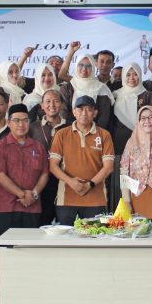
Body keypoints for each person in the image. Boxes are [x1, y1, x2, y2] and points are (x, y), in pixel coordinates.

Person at [49, 96, 115, 225]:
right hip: (67, 199)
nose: (84, 113)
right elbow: (53, 166)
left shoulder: (104, 135)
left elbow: (108, 167)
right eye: (80, 109)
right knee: (67, 237)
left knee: (95, 235)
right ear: (74, 112)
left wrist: (90, 184)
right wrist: (70, 182)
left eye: (89, 109)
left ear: (95, 113)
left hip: (96, 200)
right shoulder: (61, 134)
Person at [0, 104, 49, 239]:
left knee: (30, 247)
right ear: (8, 123)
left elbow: (44, 173)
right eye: (16, 120)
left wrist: (34, 194)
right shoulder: (0, 147)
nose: (21, 124)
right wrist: (22, 194)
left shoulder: (38, 147)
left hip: (32, 208)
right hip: (6, 208)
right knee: (6, 248)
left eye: (25, 120)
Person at [30, 88, 68, 226]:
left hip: (65, 180)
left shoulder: (70, 127)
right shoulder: (32, 128)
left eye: (56, 101)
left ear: (62, 104)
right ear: (42, 105)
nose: (52, 105)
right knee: (43, 223)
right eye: (47, 101)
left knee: (65, 223)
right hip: (41, 181)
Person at [62, 56, 115, 130]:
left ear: (93, 68)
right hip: (71, 131)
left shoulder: (102, 88)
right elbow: (64, 113)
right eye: (81, 65)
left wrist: (91, 132)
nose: (84, 68)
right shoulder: (67, 87)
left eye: (88, 66)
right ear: (76, 65)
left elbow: (104, 118)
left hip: (96, 133)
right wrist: (76, 131)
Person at [112, 63, 152, 154]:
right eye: (128, 75)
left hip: (141, 139)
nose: (131, 78)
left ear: (140, 75)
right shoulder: (115, 95)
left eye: (135, 74)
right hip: (119, 139)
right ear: (123, 76)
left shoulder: (148, 95)